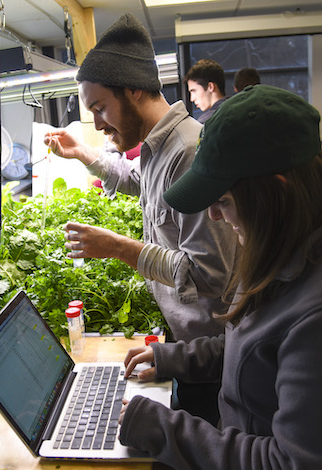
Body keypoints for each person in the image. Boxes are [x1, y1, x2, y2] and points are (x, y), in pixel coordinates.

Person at [45, 13, 238, 425]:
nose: (97, 124)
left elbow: (211, 273)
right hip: (188, 345)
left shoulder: (186, 152)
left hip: (215, 355)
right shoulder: (159, 147)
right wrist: (84, 154)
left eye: (100, 108)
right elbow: (138, 180)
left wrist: (118, 248)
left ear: (133, 90)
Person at [118, 84, 322, 469]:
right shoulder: (277, 252)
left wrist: (164, 428)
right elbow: (248, 350)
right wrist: (172, 358)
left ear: (275, 191)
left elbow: (288, 462)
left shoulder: (313, 318)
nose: (213, 216)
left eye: (224, 201)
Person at [184, 59, 227, 123]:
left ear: (210, 87)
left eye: (194, 91)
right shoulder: (238, 108)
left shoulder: (206, 123)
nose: (192, 99)